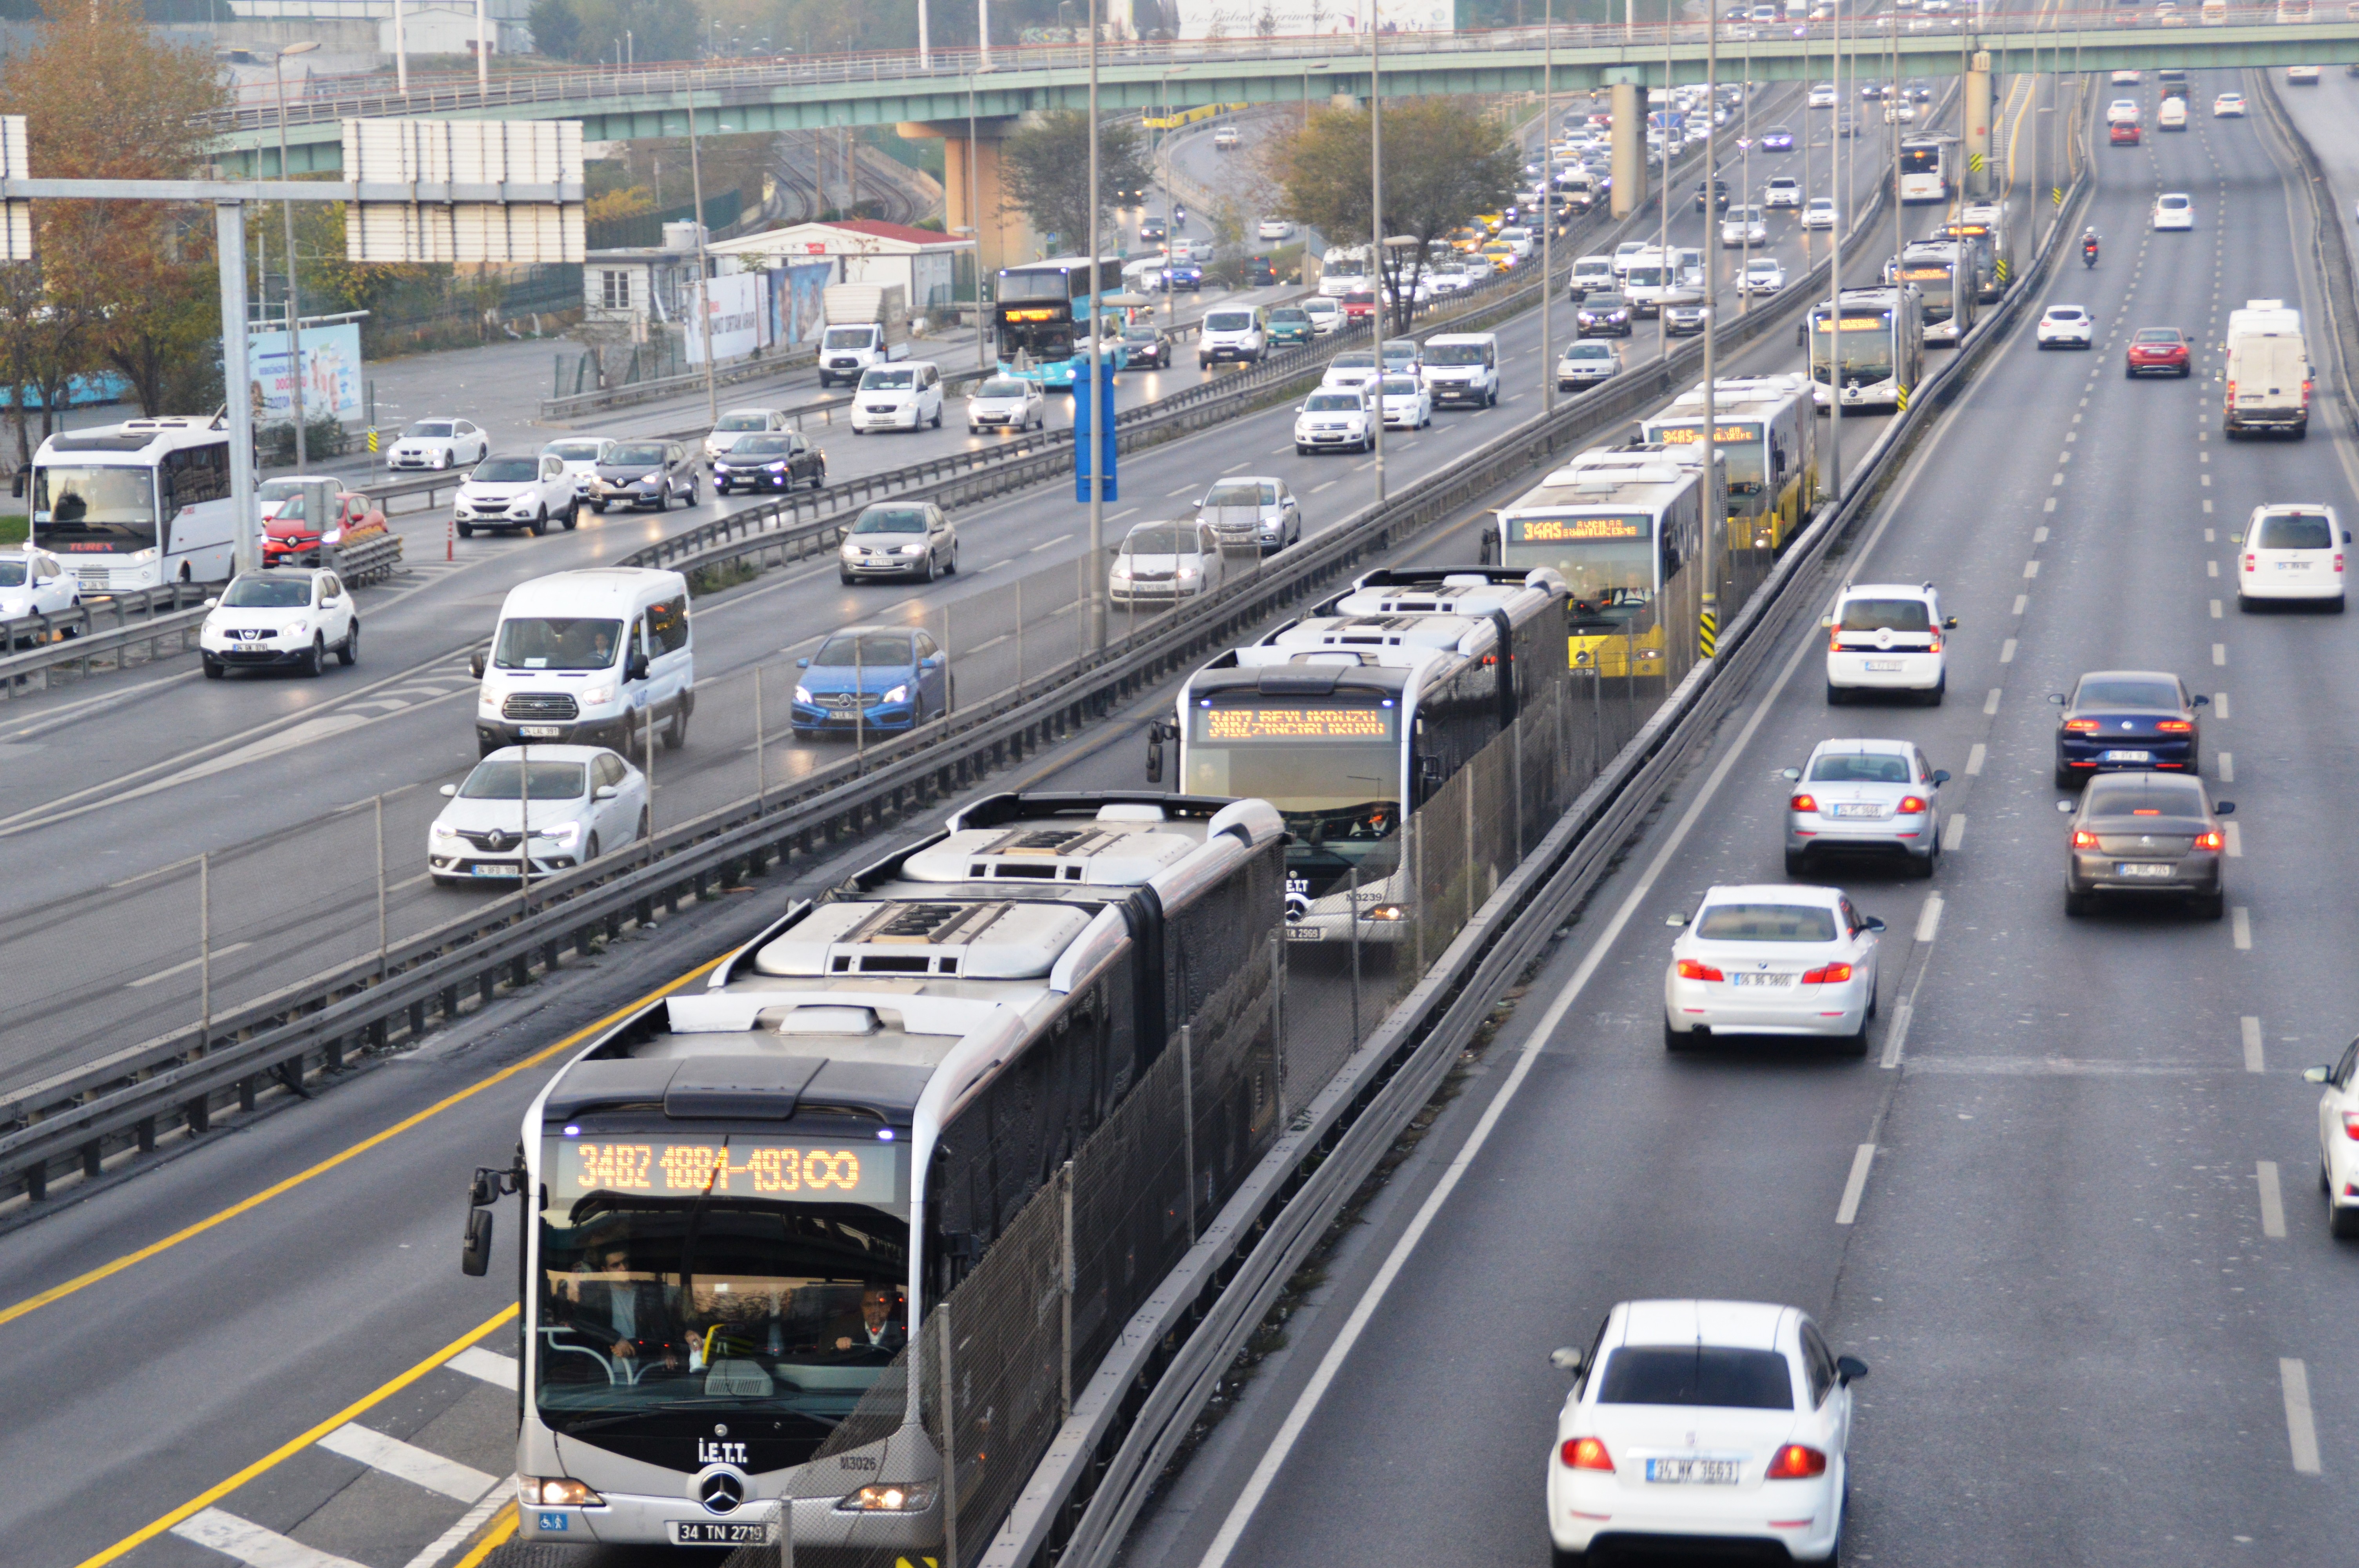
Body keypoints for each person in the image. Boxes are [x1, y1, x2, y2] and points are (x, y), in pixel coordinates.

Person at [558, 1241, 680, 1370]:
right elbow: (580, 1321)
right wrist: (616, 1339)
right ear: (605, 1271)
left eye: (625, 1262)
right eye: (616, 1266)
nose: (623, 1268)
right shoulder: (595, 1295)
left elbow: (661, 1330)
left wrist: (665, 1349)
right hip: (605, 1374)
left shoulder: (648, 1292)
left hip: (645, 1371)